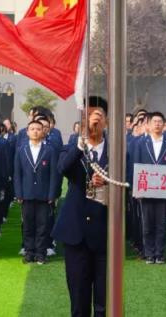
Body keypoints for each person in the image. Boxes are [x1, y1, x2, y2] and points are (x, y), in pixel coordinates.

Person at [52, 96, 110, 317]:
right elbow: (63, 169)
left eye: (98, 115)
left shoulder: (117, 150)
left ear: (106, 120)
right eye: (88, 115)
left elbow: (128, 183)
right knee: (78, 299)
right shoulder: (72, 147)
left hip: (105, 233)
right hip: (76, 233)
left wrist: (107, 182)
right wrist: (82, 142)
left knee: (104, 301)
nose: (94, 120)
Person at [130, 111, 166, 264]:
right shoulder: (140, 143)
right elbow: (136, 165)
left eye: (160, 121)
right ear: (148, 125)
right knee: (147, 224)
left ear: (164, 124)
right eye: (154, 121)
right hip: (146, 189)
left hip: (164, 190)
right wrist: (136, 189)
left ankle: (160, 253)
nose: (157, 124)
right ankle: (149, 253)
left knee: (161, 224)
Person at [14, 120, 59, 265]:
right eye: (32, 129)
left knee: (43, 225)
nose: (35, 131)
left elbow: (54, 174)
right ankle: (29, 252)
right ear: (27, 132)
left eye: (38, 129)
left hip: (44, 195)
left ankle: (41, 253)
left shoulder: (49, 150)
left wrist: (52, 194)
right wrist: (19, 193)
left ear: (43, 131)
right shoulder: (21, 150)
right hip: (26, 194)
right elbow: (17, 174)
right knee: (28, 225)